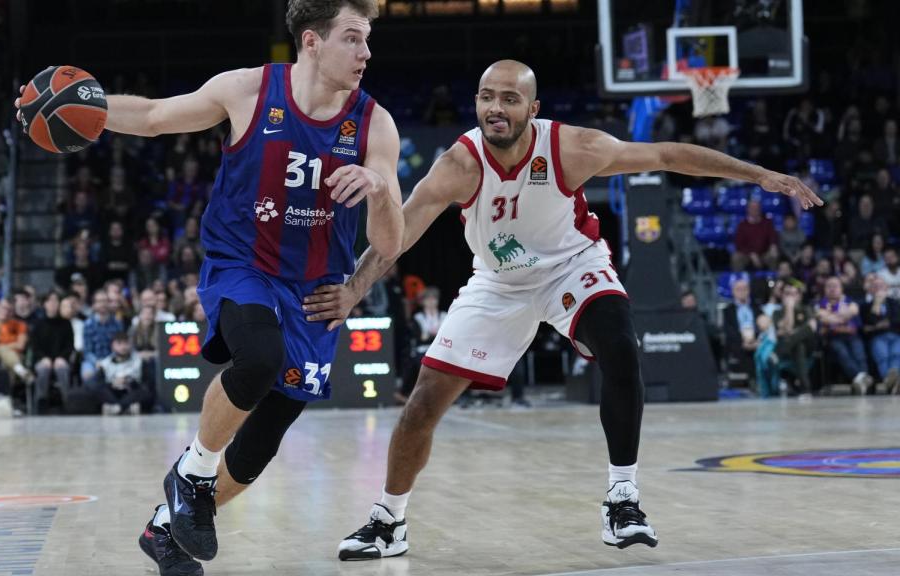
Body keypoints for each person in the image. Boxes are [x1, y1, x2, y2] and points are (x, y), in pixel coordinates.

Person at [299, 60, 821, 559]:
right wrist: (353, 290)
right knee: (421, 405)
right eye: (486, 97)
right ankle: (389, 520)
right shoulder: (459, 164)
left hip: (571, 265)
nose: (495, 108)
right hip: (498, 283)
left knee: (619, 344)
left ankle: (623, 498)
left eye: (509, 98)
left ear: (533, 108)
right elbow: (400, 236)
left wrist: (760, 176)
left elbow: (666, 155)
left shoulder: (573, 147)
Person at [22, 0, 402, 569]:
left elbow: (390, 241)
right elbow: (152, 117)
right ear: (312, 42)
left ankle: (163, 530)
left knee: (257, 449)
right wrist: (83, 105)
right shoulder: (247, 91)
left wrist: (375, 199)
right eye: (353, 38)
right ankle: (192, 475)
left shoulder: (375, 123)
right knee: (258, 359)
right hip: (242, 264)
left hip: (316, 289)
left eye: (368, 39)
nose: (366, 52)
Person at [817, 276, 874, 394]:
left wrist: (832, 316)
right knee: (842, 353)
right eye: (829, 286)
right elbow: (824, 320)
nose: (832, 289)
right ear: (824, 289)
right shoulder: (820, 303)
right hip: (832, 337)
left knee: (860, 354)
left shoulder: (850, 301)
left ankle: (862, 383)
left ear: (841, 289)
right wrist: (845, 315)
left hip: (852, 335)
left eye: (835, 286)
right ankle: (862, 379)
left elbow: (851, 320)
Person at [30, 291, 75, 410]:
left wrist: (62, 358)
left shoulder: (66, 324)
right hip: (42, 359)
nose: (53, 303)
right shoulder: (38, 324)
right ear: (44, 304)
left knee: (62, 367)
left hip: (61, 359)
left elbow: (70, 346)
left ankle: (67, 401)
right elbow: (35, 347)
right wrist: (44, 358)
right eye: (49, 300)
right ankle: (41, 400)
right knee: (43, 368)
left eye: (56, 300)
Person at [860, 274, 900, 394]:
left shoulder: (894, 302)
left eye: (881, 286)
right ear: (871, 290)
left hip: (895, 335)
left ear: (886, 288)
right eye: (875, 286)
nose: (878, 289)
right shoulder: (865, 306)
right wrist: (876, 305)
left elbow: (897, 319)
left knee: (896, 354)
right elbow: (868, 323)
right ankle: (889, 381)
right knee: (882, 356)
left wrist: (885, 324)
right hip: (877, 337)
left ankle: (892, 379)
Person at [93, 332, 146, 416]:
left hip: (131, 390)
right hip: (112, 391)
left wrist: (127, 381)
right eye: (119, 344)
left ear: (130, 345)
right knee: (97, 389)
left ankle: (117, 408)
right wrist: (113, 383)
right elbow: (100, 384)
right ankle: (125, 408)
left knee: (143, 391)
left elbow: (143, 381)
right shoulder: (105, 363)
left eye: (126, 344)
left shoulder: (138, 360)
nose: (123, 347)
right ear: (113, 346)